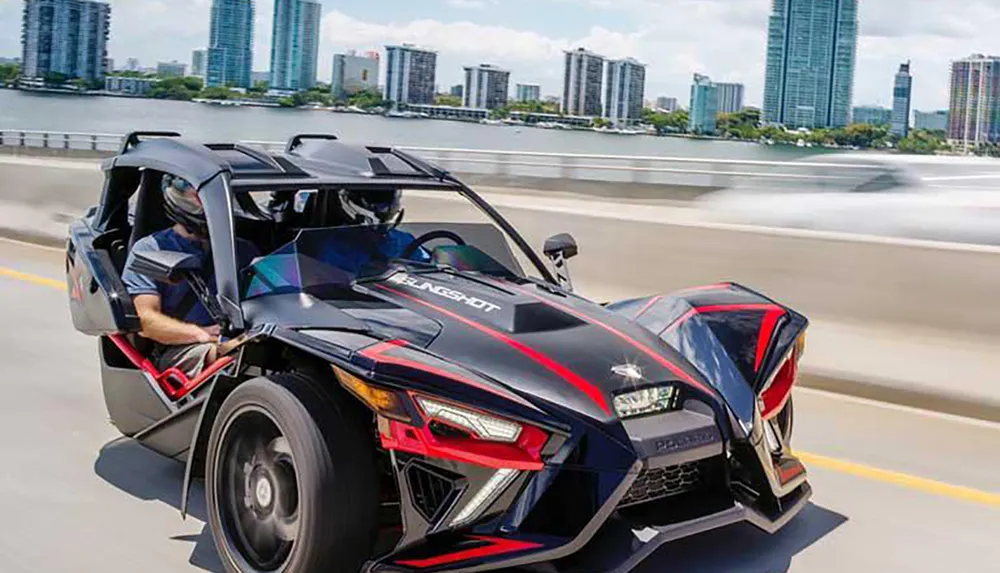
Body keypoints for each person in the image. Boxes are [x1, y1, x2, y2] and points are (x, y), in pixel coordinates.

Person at [122, 174, 259, 378]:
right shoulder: (150, 249)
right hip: (182, 347)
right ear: (178, 196)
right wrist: (199, 334)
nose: (207, 203)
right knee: (235, 354)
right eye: (198, 196)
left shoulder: (244, 250)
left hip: (246, 336)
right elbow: (146, 320)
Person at [312, 188, 431, 275]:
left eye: (391, 199)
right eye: (379, 199)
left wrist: (440, 260)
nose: (389, 206)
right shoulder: (337, 246)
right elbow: (334, 288)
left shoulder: (404, 239)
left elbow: (428, 265)